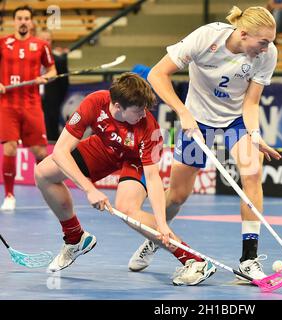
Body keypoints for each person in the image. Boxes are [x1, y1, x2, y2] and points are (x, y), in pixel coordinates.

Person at [128, 6, 282, 281]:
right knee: (177, 195)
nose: (267, 48)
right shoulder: (206, 38)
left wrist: (255, 134)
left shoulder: (266, 54)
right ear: (244, 34)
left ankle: (248, 259)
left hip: (236, 120)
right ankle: (158, 236)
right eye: (263, 42)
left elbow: (251, 102)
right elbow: (156, 75)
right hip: (197, 119)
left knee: (253, 173)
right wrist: (183, 112)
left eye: (270, 42)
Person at [34, 73, 216, 286]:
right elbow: (60, 151)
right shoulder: (95, 102)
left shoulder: (150, 128)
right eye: (138, 111)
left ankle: (195, 261)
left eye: (145, 109)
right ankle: (75, 238)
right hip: (104, 148)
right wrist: (89, 189)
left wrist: (162, 224)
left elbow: (153, 178)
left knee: (127, 209)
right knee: (43, 173)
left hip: (134, 160)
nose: (143, 114)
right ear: (118, 106)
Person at [0, 5, 57, 211]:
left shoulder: (41, 45)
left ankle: (51, 193)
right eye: (19, 18)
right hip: (7, 105)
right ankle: (9, 195)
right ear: (14, 21)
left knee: (40, 152)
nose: (23, 21)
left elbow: (52, 70)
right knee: (9, 147)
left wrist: (45, 77)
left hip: (32, 104)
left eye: (26, 18)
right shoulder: (2, 43)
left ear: (31, 22)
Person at [37, 30, 70, 141]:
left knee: (51, 125)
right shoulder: (30, 59)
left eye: (48, 39)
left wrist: (57, 99)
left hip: (52, 100)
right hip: (32, 98)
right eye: (43, 39)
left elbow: (64, 83)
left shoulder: (59, 60)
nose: (46, 42)